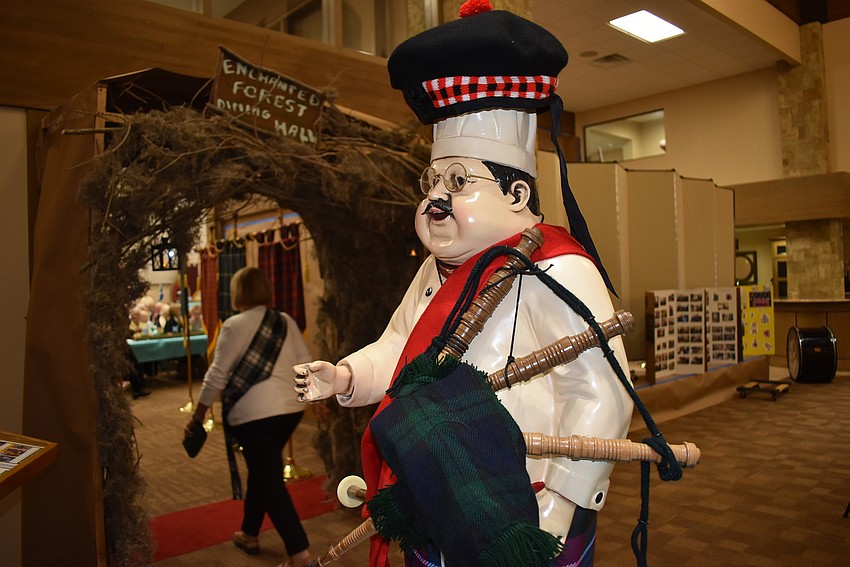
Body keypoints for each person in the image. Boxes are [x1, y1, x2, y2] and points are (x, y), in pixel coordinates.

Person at [293, 3, 633, 566]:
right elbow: (401, 352)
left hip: (527, 505)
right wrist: (346, 374)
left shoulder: (557, 270)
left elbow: (601, 396)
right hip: (437, 494)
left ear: (517, 196)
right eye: (431, 182)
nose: (433, 200)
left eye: (458, 182)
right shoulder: (435, 271)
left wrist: (561, 508)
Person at [185, 267, 314, 567]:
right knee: (263, 470)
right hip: (290, 412)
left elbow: (216, 376)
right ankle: (249, 533)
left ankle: (300, 554)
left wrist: (198, 415)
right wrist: (316, 401)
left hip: (253, 416)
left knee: (268, 479)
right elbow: (306, 362)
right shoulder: (285, 321)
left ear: (237, 292)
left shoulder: (232, 325)